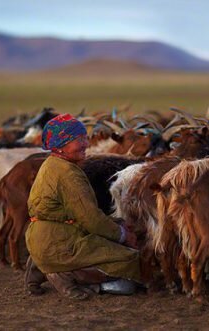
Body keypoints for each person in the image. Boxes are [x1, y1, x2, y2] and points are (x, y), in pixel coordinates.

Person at [24, 113, 141, 300]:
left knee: (115, 234)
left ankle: (41, 264)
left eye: (85, 138)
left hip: (47, 238)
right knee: (132, 262)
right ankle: (65, 275)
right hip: (61, 243)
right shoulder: (68, 174)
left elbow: (81, 215)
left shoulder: (52, 164)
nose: (86, 144)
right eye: (78, 140)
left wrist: (118, 224)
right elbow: (92, 220)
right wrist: (123, 235)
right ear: (61, 145)